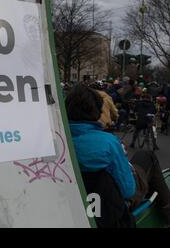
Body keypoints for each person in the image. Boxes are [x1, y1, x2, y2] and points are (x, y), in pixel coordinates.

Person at [65, 84, 170, 227]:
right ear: (96, 111)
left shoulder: (57, 141)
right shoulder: (108, 142)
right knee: (147, 156)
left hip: (74, 205)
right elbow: (128, 190)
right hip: (110, 208)